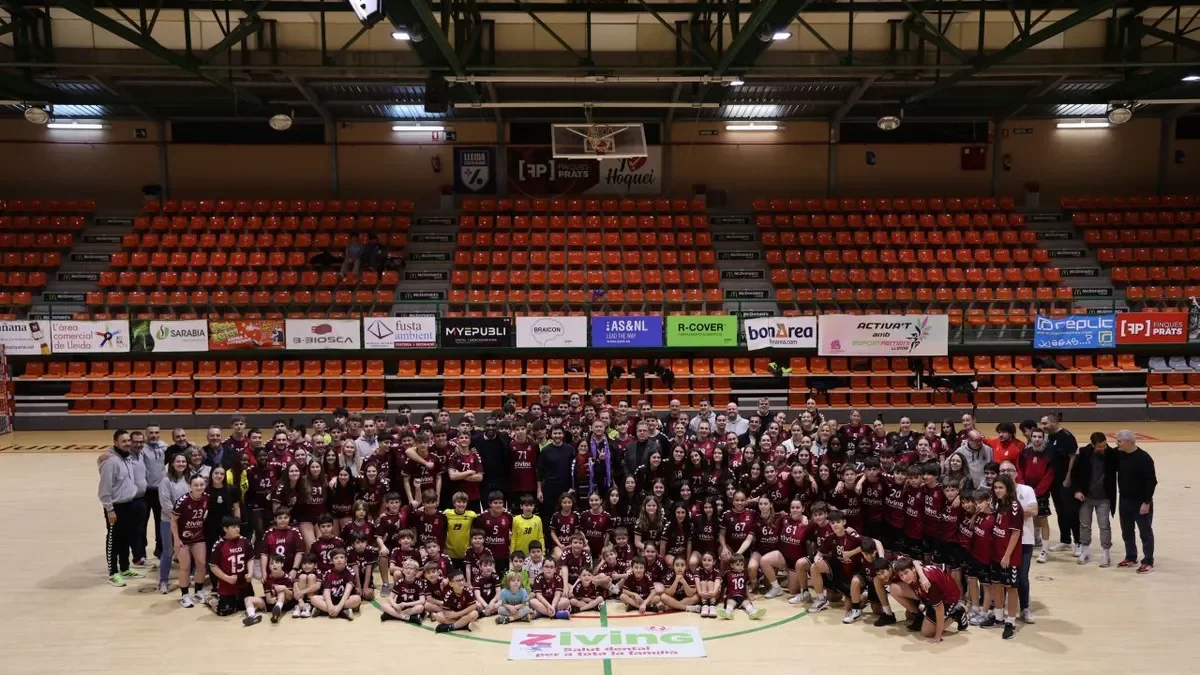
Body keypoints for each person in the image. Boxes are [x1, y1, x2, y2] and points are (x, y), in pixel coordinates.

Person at [99, 429, 147, 587]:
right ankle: (113, 572)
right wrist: (109, 509)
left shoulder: (126, 458)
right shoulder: (110, 461)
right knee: (114, 540)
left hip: (129, 504)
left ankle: (125, 568)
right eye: (124, 441)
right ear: (115, 443)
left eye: (129, 440)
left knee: (126, 538)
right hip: (116, 507)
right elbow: (104, 489)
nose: (128, 444)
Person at [999, 460, 1038, 624]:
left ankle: (1025, 607)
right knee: (1002, 577)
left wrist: (1012, 511)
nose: (1007, 473)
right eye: (1003, 470)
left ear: (1016, 473)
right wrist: (1021, 511)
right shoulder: (998, 491)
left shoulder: (1026, 490)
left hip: (1024, 540)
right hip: (1002, 541)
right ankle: (1001, 610)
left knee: (1022, 576)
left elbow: (1034, 510)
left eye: (1010, 470)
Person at [1071, 432, 1118, 567]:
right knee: (1084, 525)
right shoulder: (1084, 453)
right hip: (1086, 497)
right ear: (1092, 445)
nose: (1102, 449)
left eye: (1104, 446)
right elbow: (1075, 472)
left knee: (1104, 526)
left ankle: (1106, 553)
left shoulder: (1112, 454)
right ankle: (1085, 551)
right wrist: (1077, 490)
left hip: (1104, 497)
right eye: (1099, 447)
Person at [1115, 429, 1157, 573]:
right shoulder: (1119, 454)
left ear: (1129, 442)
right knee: (1126, 531)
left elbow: (1152, 481)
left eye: (1119, 441)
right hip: (1124, 500)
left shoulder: (1144, 458)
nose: (1116, 443)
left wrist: (1146, 502)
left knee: (1145, 532)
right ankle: (1131, 557)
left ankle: (1148, 561)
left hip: (1141, 502)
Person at [208, 516, 262, 626]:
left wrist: (250, 572)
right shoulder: (219, 545)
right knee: (224, 612)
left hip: (244, 584)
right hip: (228, 586)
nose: (237, 529)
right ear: (225, 529)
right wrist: (226, 578)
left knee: (246, 606)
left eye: (238, 526)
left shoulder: (245, 541)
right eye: (233, 527)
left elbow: (250, 558)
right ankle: (210, 599)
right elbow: (213, 566)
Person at [1040, 414, 1080, 555]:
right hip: (1054, 481)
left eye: (1045, 423)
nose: (1043, 426)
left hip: (1065, 481)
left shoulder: (1066, 437)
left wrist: (1068, 478)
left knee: (1071, 511)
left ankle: (1078, 542)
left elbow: (1073, 458)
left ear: (1055, 422)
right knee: (1060, 511)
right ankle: (1065, 540)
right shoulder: (1049, 437)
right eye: (1042, 424)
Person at [156, 454, 191, 594]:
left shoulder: (189, 479)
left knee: (186, 550)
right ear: (172, 463)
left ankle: (187, 578)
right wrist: (176, 519)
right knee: (168, 552)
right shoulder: (165, 481)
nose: (181, 464)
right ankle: (163, 581)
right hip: (168, 521)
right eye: (178, 461)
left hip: (186, 522)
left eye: (183, 461)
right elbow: (165, 504)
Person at [311, 548, 361, 620]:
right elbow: (326, 592)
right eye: (336, 558)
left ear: (346, 560)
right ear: (331, 561)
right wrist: (330, 605)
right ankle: (343, 612)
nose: (339, 560)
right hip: (331, 598)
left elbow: (347, 591)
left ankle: (323, 611)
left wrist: (338, 607)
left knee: (357, 599)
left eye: (341, 557)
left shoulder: (350, 572)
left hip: (345, 599)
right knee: (314, 599)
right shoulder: (327, 573)